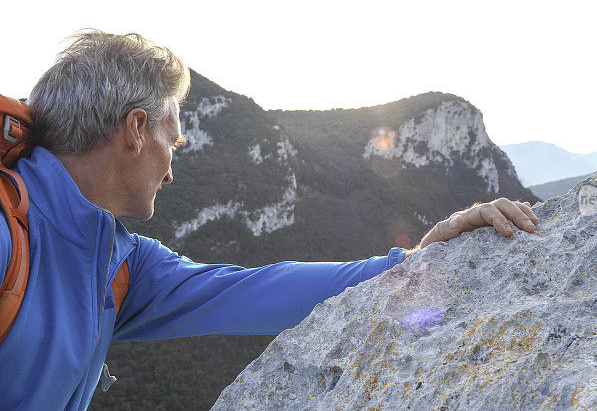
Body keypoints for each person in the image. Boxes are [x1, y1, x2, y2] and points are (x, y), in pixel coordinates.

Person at [0, 30, 539, 410]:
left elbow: (257, 290)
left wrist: (420, 258)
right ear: (137, 130)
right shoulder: (9, 237)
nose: (171, 170)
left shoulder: (118, 264)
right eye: (173, 140)